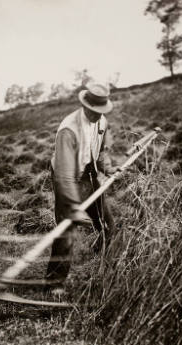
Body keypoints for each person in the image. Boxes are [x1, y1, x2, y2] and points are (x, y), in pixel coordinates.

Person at [46, 82, 116, 290]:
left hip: (88, 173)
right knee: (66, 232)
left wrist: (108, 168)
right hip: (66, 176)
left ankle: (101, 268)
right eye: (93, 111)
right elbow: (65, 175)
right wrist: (72, 205)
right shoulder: (68, 130)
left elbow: (101, 150)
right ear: (85, 105)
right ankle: (53, 284)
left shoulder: (102, 121)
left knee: (108, 226)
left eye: (100, 111)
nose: (97, 114)